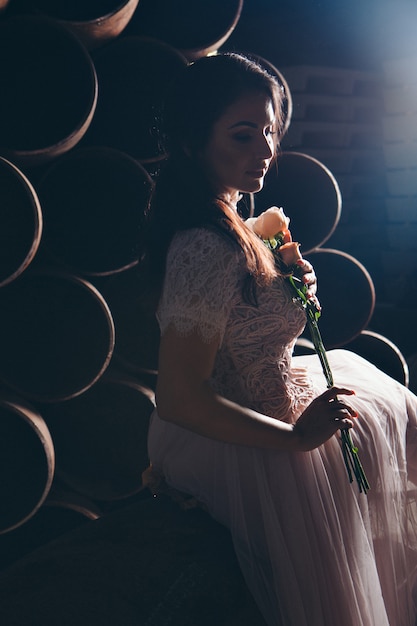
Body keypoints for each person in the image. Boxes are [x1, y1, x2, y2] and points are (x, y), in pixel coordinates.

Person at [139, 52, 417, 625]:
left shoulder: (236, 223)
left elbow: (242, 325)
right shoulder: (203, 245)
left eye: (269, 132)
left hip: (272, 390)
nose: (265, 150)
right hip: (236, 438)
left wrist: (287, 288)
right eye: (243, 135)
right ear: (194, 141)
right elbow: (180, 397)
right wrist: (295, 440)